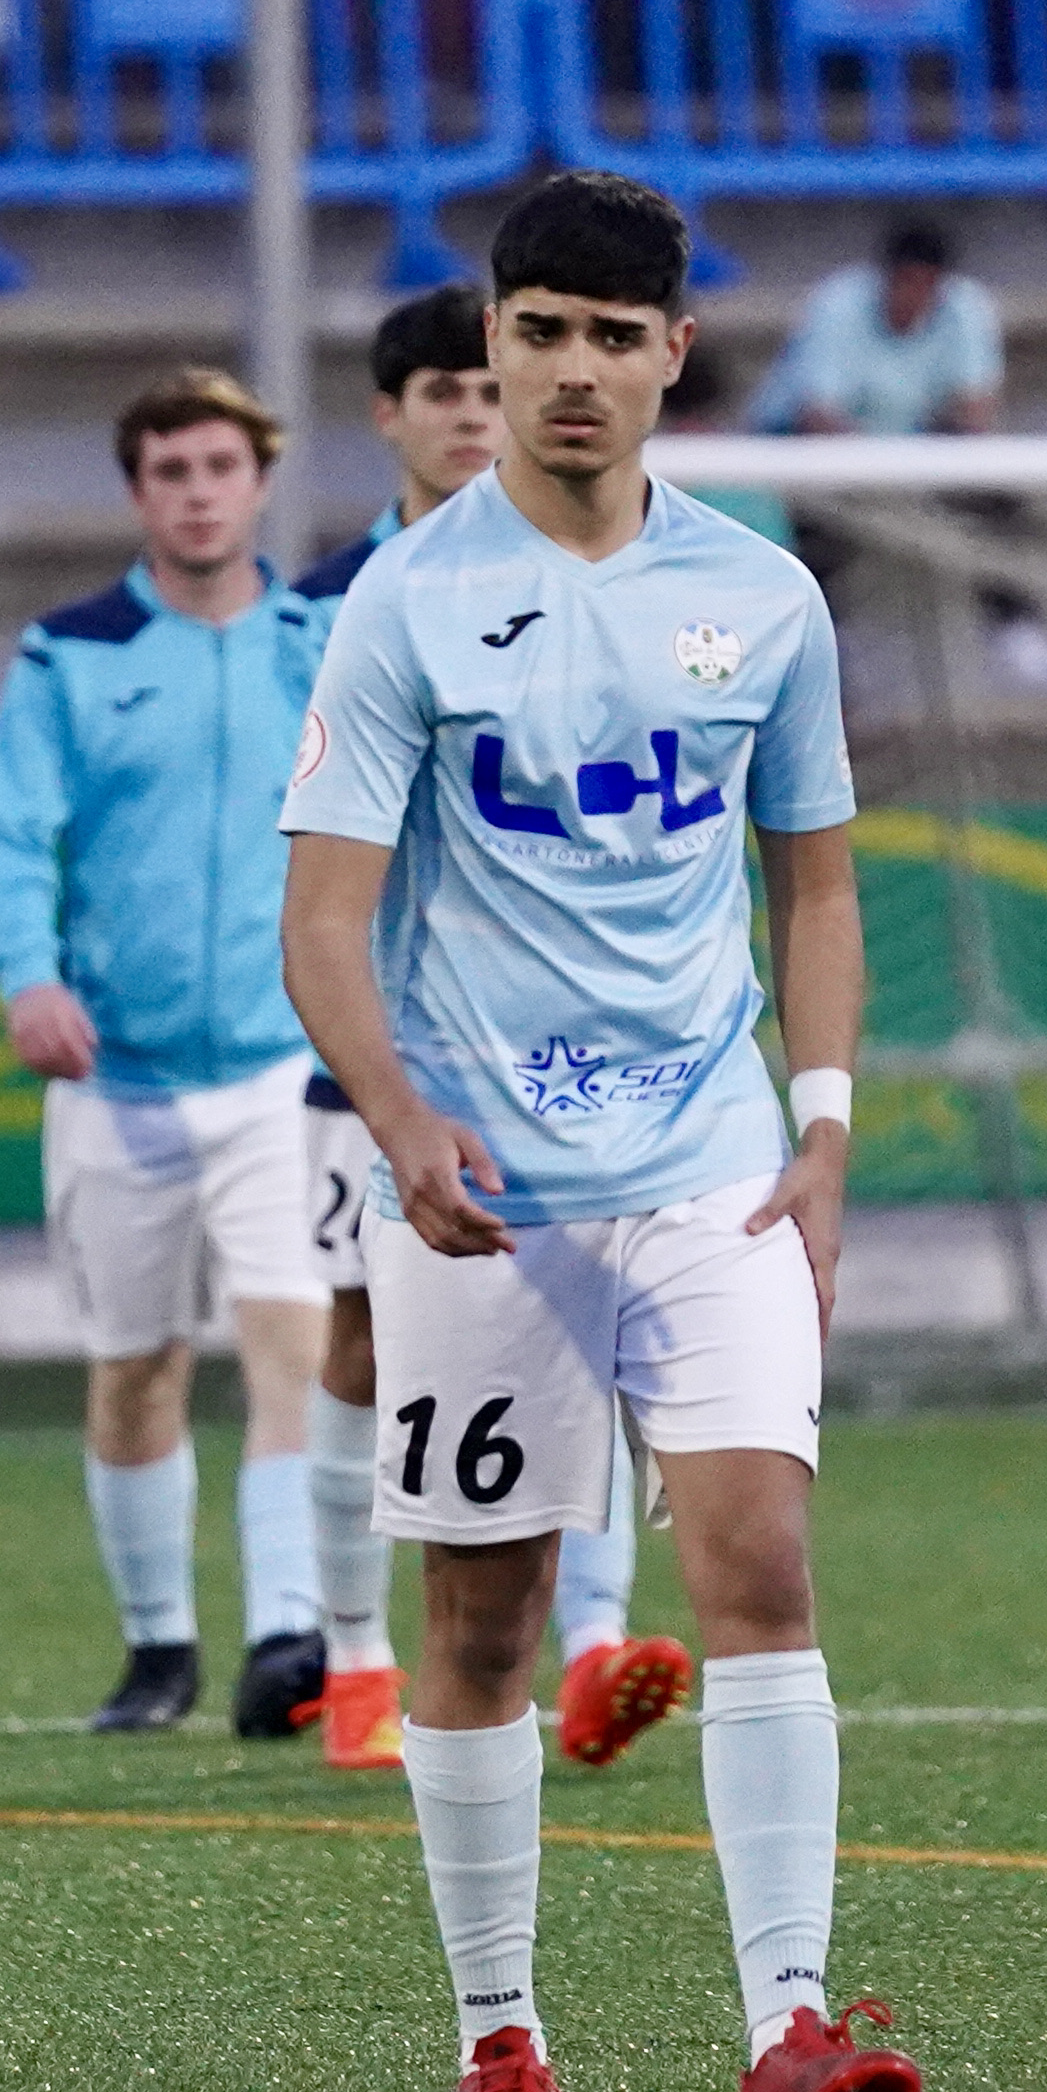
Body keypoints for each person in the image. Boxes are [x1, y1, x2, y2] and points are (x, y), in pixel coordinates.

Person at [278, 166, 920, 2092]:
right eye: (529, 332)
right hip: (491, 1186)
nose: (563, 370)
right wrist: (398, 1119)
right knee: (482, 1619)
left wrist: (822, 1120)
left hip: (717, 1164)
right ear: (493, 345)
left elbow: (814, 874)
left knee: (760, 1563)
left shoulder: (768, 594)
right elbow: (324, 914)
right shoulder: (405, 601)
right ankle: (498, 2042)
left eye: (603, 336)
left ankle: (791, 2028)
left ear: (672, 356)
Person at [285, 283, 688, 1757]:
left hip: (572, 1063)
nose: (472, 412)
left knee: (601, 1333)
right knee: (359, 1345)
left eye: (482, 385)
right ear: (393, 415)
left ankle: (592, 1647)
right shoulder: (340, 606)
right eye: (442, 391)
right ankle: (355, 1661)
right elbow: (310, 834)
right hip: (388, 1050)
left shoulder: (625, 581)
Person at [0, 369, 342, 1735]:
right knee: (134, 1370)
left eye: (220, 469)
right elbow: (12, 832)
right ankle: (158, 1645)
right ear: (139, 493)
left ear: (260, 484)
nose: (197, 493)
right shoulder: (68, 653)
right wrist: (27, 976)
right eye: (171, 471)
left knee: (291, 1347)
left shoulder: (320, 640)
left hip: (280, 1069)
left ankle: (289, 1639)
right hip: (116, 1078)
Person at [755, 215, 1047, 691]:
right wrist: (878, 463)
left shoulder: (966, 309)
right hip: (812, 444)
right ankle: (829, 634)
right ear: (886, 278)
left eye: (927, 288)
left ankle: (1014, 623)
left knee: (996, 495)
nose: (915, 299)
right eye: (906, 285)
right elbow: (816, 415)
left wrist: (936, 450)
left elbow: (977, 409)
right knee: (816, 512)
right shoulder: (837, 306)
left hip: (907, 446)